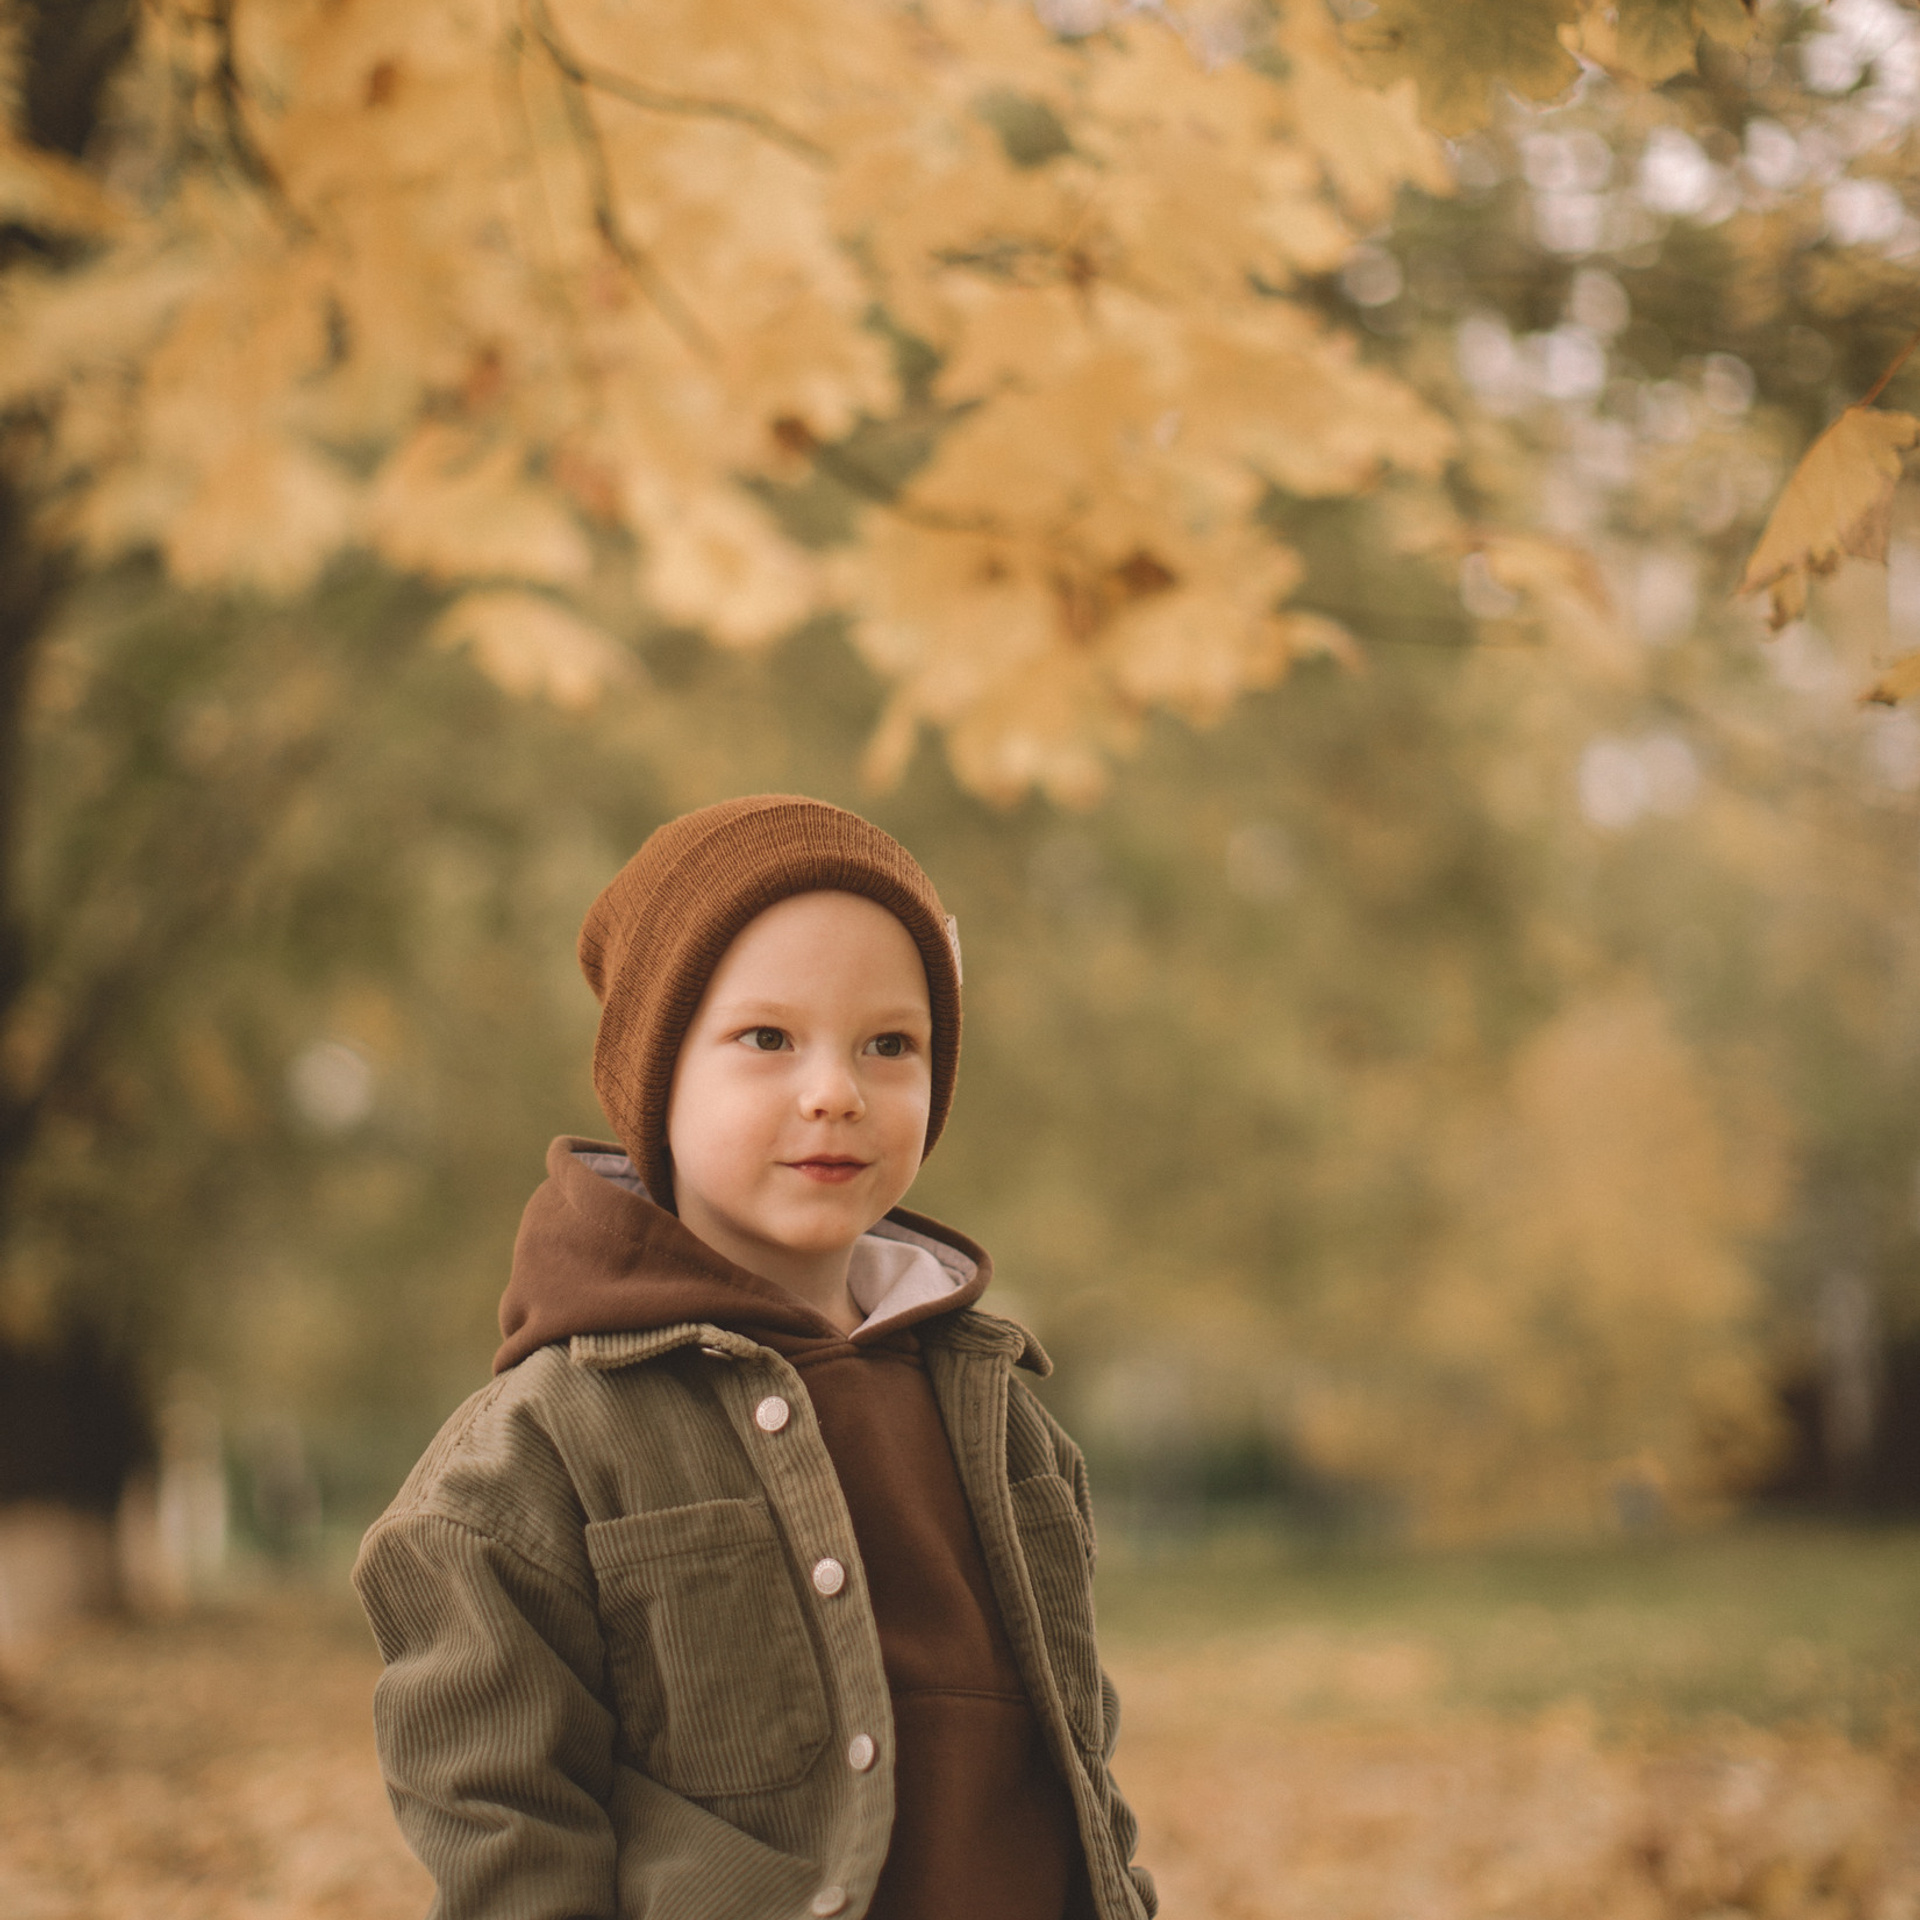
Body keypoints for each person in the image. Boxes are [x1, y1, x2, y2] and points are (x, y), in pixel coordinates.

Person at [353, 794, 1156, 1920]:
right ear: (654, 1080)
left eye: (891, 1044)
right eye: (767, 1039)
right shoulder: (543, 1449)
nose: (836, 1090)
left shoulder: (1004, 1420)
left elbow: (1081, 1773)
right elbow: (506, 1832)